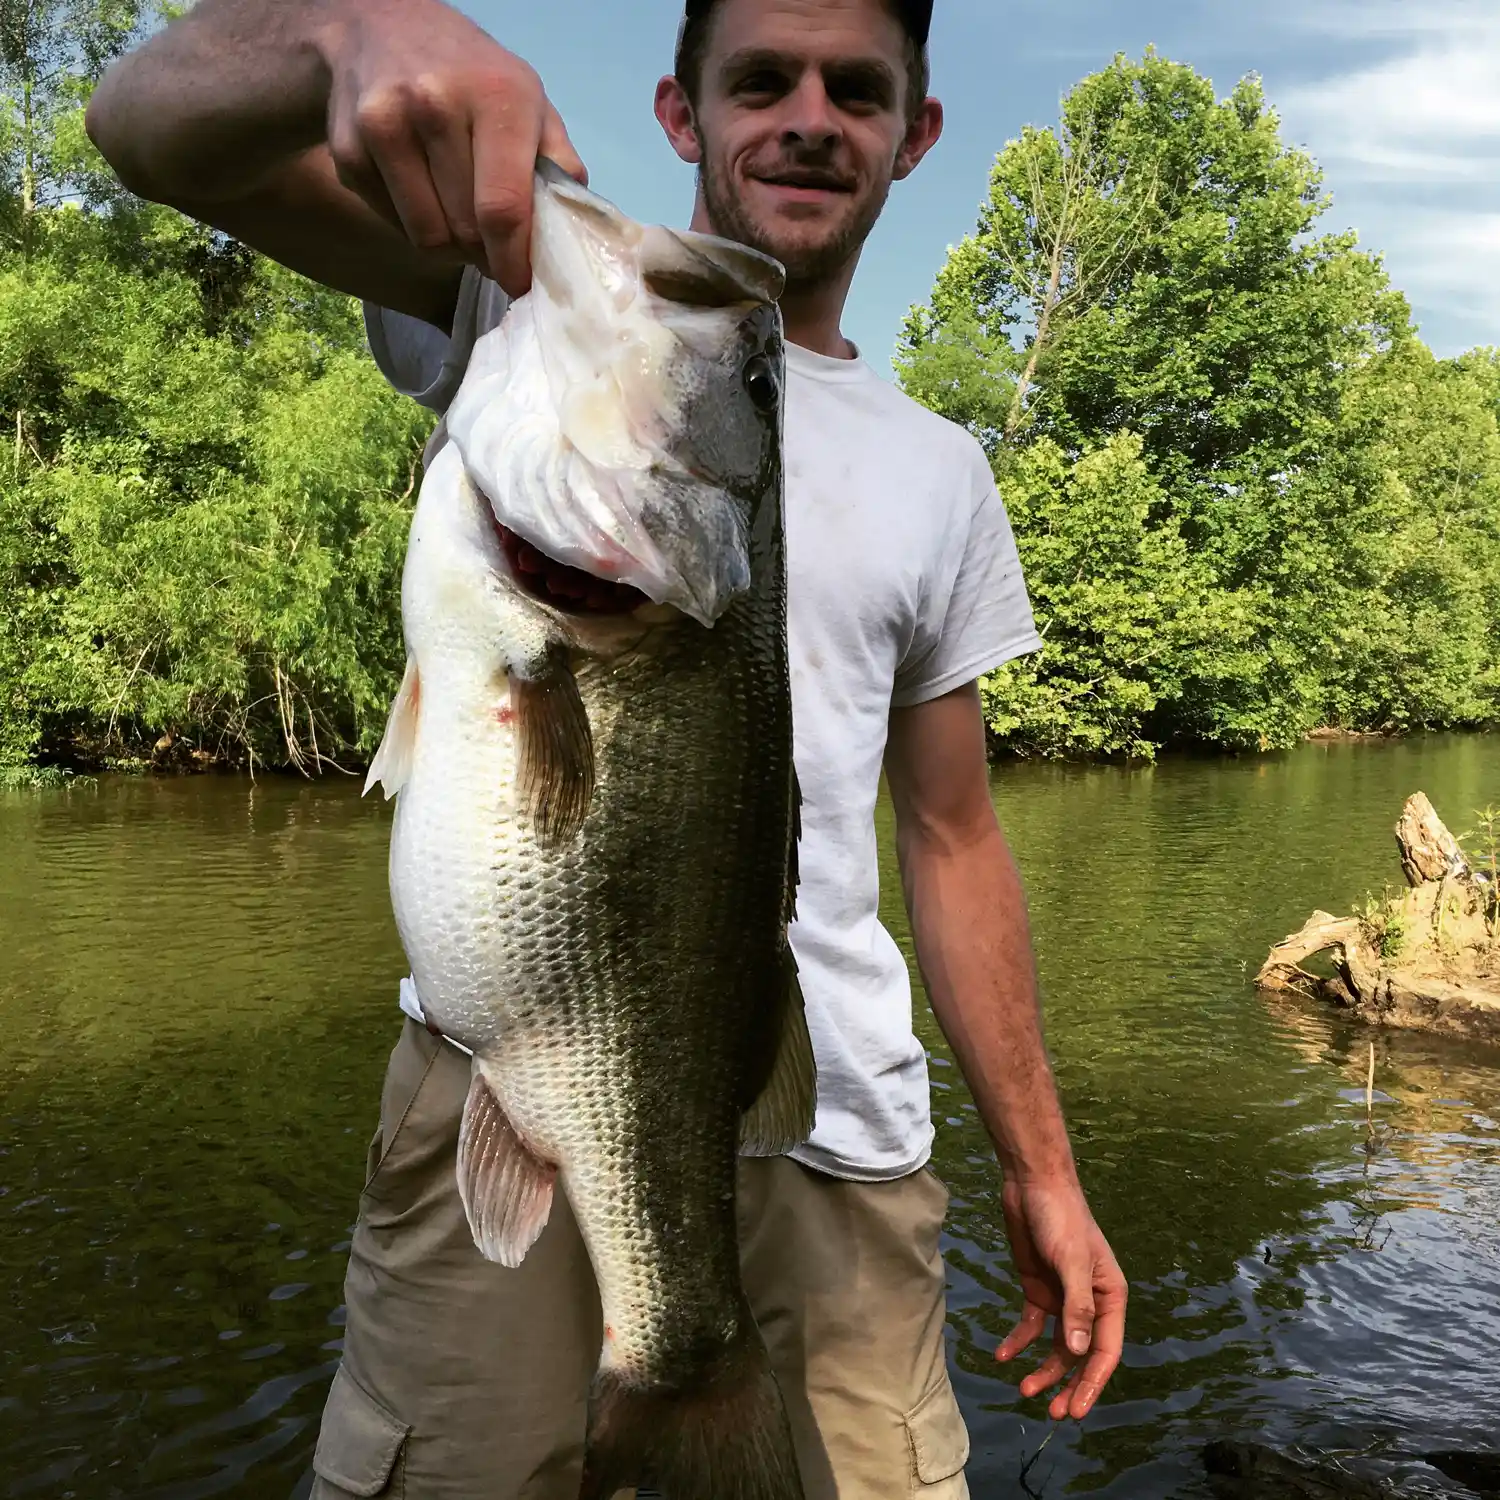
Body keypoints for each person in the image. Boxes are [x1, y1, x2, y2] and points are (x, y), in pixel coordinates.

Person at [88, 1, 1129, 1494]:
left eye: (858, 88)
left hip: (838, 1124)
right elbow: (145, 130)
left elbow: (954, 837)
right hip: (506, 1070)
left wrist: (1045, 1169)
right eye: (760, 80)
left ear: (916, 132)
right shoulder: (526, 307)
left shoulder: (945, 470)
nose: (810, 118)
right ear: (680, 110)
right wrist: (346, 30)